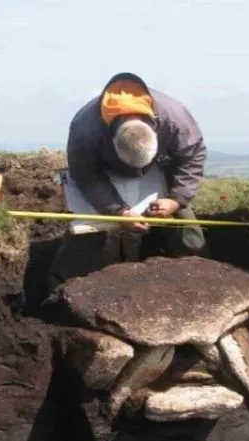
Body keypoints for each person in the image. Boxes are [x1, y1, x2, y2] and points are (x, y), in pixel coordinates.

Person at [46, 72, 210, 292]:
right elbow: (86, 175)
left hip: (159, 168)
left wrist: (176, 199)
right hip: (101, 171)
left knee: (185, 230)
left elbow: (193, 155)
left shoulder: (174, 118)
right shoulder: (85, 129)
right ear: (112, 141)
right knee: (86, 232)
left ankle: (201, 282)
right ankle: (59, 293)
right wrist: (117, 211)